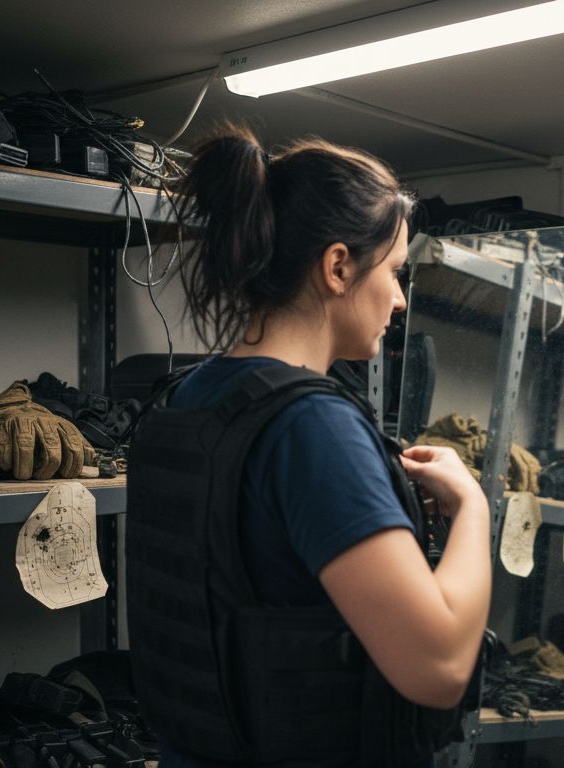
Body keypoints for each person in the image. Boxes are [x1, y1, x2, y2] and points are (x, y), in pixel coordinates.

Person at [125, 126, 491, 768]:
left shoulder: (191, 395)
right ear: (339, 266)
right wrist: (473, 509)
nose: (401, 299)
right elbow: (438, 667)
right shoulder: (311, 428)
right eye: (396, 272)